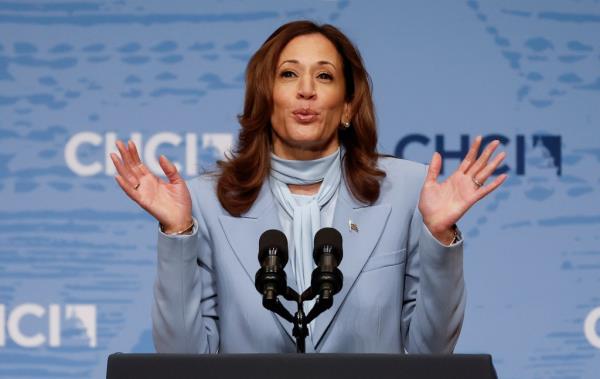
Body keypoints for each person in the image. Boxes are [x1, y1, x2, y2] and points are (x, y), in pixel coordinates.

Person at [111, 20, 506, 353]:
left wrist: (439, 235)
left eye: (324, 75)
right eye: (288, 74)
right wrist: (178, 233)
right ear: (264, 98)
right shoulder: (205, 202)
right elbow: (183, 358)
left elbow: (432, 352)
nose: (306, 90)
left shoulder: (407, 192)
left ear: (348, 106)